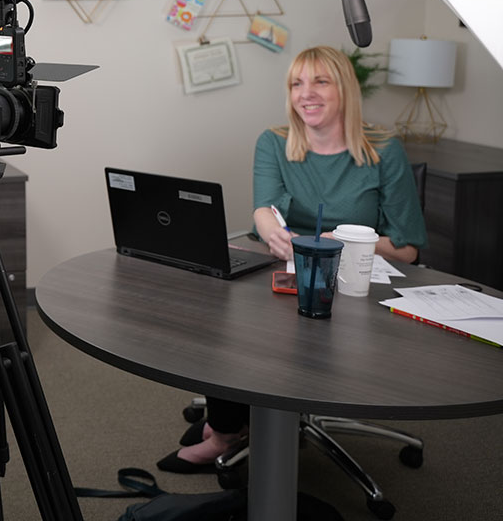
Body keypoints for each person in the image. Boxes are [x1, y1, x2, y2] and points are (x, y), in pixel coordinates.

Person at [158, 45, 426, 473]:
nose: (307, 93)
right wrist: (272, 232)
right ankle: (233, 421)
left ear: (344, 89)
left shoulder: (383, 151)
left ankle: (227, 431)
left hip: (354, 287)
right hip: (284, 272)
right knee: (219, 313)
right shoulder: (276, 142)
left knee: (265, 336)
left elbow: (408, 247)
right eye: (297, 83)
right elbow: (263, 209)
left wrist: (337, 240)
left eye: (320, 81)